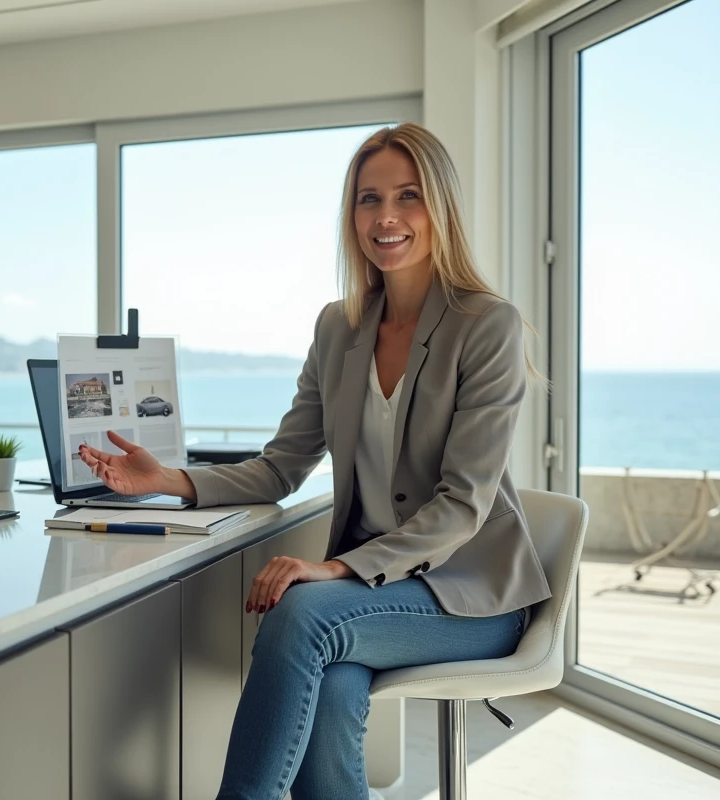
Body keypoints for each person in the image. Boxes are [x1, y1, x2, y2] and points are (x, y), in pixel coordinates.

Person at [77, 122, 551, 800]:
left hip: (470, 594)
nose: (385, 217)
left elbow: (463, 504)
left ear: (439, 206)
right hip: (370, 594)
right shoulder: (339, 326)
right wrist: (170, 481)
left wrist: (333, 568)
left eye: (408, 196)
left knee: (301, 615)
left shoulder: (487, 325)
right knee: (326, 690)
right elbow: (280, 467)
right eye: (368, 199)